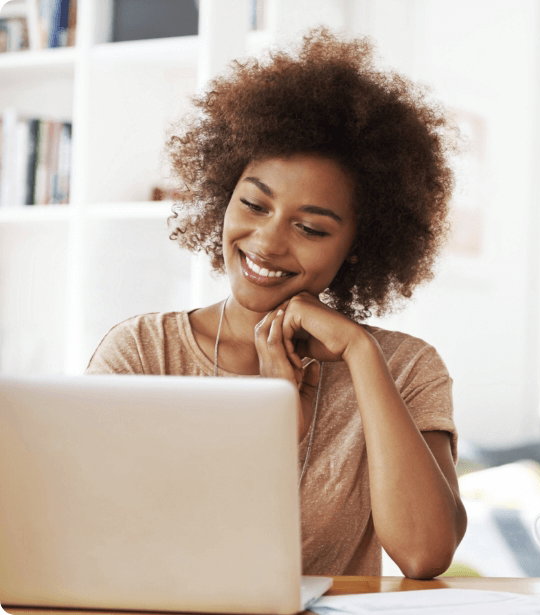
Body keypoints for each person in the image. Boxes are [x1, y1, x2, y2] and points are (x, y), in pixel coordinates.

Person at [86, 28, 467, 579]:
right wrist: (269, 428)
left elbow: (424, 553)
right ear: (223, 196)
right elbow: (98, 534)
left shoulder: (407, 370)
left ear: (359, 247)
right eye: (254, 205)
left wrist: (361, 354)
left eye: (310, 228)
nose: (266, 242)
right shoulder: (143, 354)